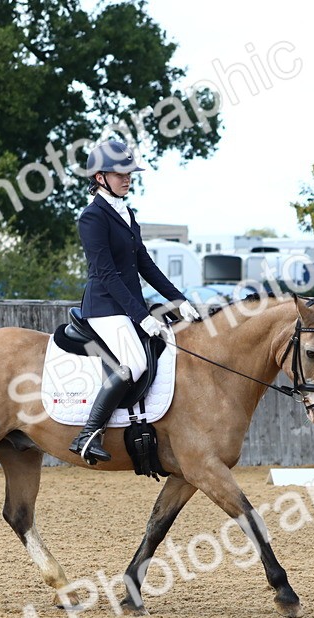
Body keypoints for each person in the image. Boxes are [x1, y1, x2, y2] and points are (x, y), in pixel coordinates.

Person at [70, 140, 202, 464]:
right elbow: (107, 273)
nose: (127, 178)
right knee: (135, 363)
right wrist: (141, 316)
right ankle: (88, 433)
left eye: (130, 173)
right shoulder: (92, 217)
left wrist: (178, 300)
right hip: (103, 307)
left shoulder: (126, 213)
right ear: (100, 177)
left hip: (126, 306)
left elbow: (145, 264)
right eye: (120, 174)